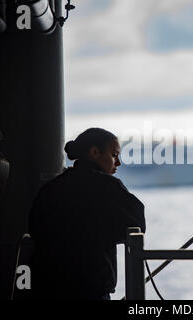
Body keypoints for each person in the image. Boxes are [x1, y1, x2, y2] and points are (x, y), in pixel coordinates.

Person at [28, 128, 145, 300]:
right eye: (114, 155)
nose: (117, 163)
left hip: (46, 289)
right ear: (95, 153)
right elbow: (136, 223)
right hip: (91, 290)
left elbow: (34, 228)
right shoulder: (109, 187)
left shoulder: (50, 189)